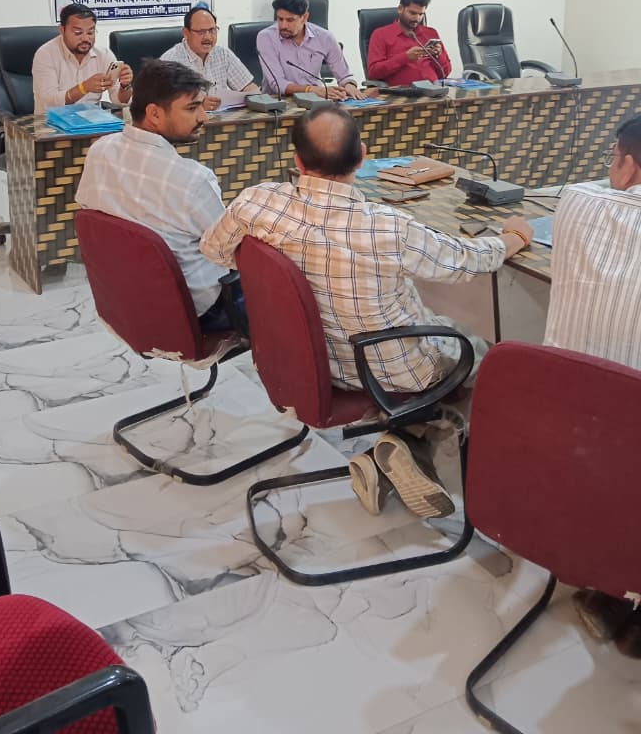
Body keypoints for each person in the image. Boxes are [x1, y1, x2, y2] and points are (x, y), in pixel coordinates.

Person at [201, 104, 531, 519]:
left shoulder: (256, 202)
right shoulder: (388, 227)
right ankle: (413, 444)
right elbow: (467, 261)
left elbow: (214, 250)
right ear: (361, 156)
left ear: (297, 161)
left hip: (304, 365)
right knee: (483, 353)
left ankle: (393, 453)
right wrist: (513, 237)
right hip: (391, 373)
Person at [544, 114, 641, 656]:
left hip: (568, 417)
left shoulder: (574, 202)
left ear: (626, 164)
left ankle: (611, 590)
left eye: (612, 158)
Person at [76, 60, 245, 331]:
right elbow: (231, 251)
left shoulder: (100, 151)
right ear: (154, 114)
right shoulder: (193, 180)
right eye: (192, 108)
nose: (204, 117)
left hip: (127, 301)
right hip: (199, 312)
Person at [257, 0, 368, 100]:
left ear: (304, 17)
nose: (283, 25)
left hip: (316, 99)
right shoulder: (266, 38)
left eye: (290, 20)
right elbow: (278, 84)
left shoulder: (325, 37)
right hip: (279, 101)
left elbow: (344, 75)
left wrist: (349, 85)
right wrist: (310, 90)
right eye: (280, 19)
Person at [32, 4, 133, 114]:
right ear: (62, 30)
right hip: (53, 120)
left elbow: (119, 101)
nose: (85, 38)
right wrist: (83, 88)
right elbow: (49, 102)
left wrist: (124, 86)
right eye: (78, 33)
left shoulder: (103, 55)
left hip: (92, 119)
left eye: (90, 32)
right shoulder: (46, 54)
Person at [160, 4, 259, 110]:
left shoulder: (223, 54)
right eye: (201, 32)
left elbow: (248, 86)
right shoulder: (171, 60)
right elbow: (164, 104)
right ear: (186, 33)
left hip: (223, 117)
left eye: (212, 30)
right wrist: (198, 105)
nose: (208, 37)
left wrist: (252, 95)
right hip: (189, 120)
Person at [366, 0, 451, 86]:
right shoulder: (380, 34)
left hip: (434, 90)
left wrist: (438, 56)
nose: (417, 19)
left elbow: (446, 72)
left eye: (421, 14)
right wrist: (405, 57)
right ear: (400, 9)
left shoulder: (430, 33)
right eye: (412, 13)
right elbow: (373, 73)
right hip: (402, 93)